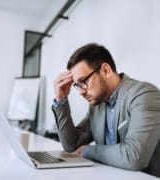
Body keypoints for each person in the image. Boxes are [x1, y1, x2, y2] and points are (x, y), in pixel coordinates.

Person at [52, 43, 160, 177]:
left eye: (84, 81)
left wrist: (88, 151)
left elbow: (134, 157)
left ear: (106, 70)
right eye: (77, 85)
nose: (80, 92)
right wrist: (61, 100)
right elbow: (71, 146)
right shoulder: (97, 104)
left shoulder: (144, 95)